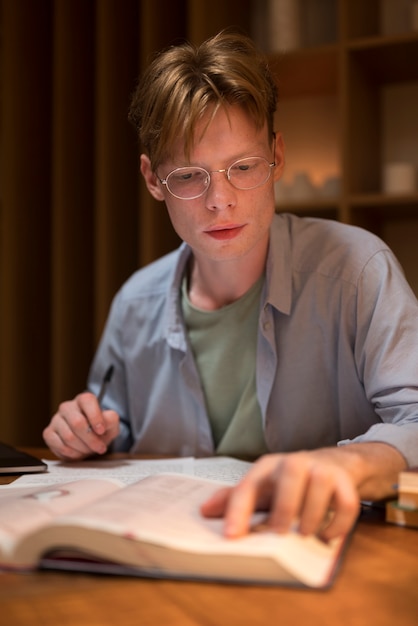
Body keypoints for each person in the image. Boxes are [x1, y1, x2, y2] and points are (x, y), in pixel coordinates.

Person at [43, 30, 418, 542]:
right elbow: (113, 434)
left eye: (242, 167)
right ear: (154, 180)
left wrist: (351, 462)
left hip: (327, 548)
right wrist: (84, 432)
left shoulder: (357, 269)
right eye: (191, 177)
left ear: (277, 157)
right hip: (173, 555)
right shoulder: (135, 303)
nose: (220, 201)